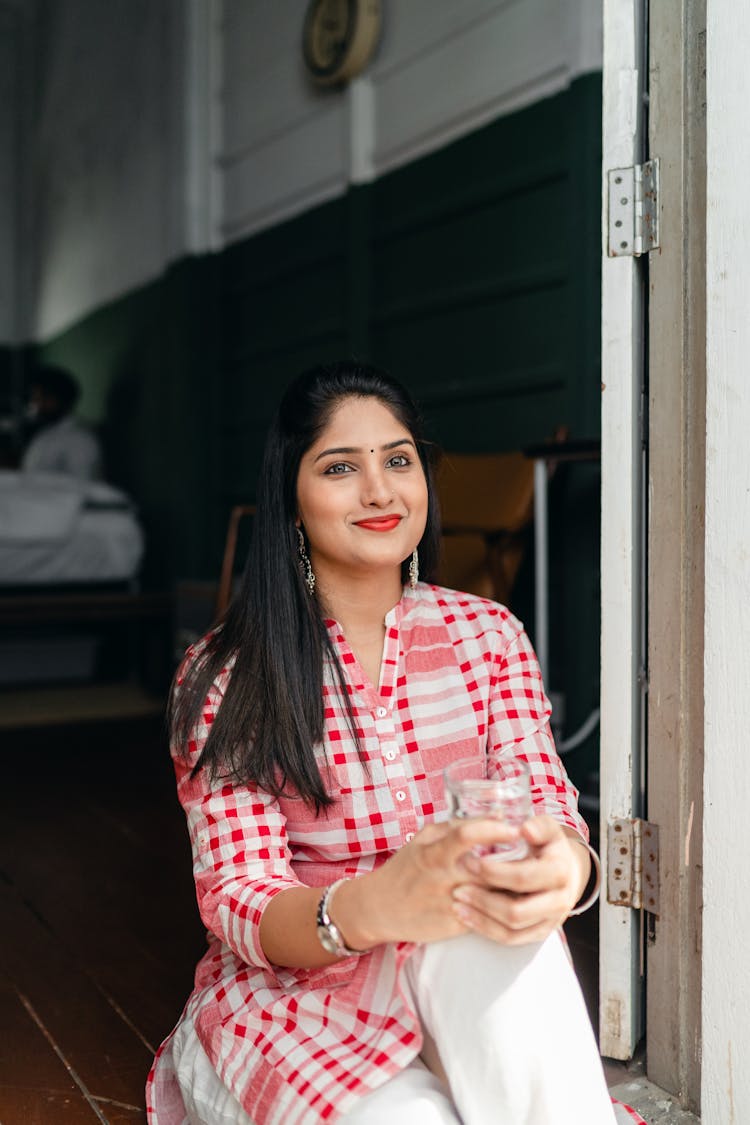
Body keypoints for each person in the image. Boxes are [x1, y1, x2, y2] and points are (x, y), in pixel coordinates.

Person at [147, 361, 645, 1125]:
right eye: (341, 466)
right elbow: (240, 901)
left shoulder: (488, 635)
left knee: (510, 944)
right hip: (294, 1002)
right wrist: (371, 905)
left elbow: (547, 803)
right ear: (292, 497)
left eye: (399, 460)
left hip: (455, 951)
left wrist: (564, 864)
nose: (380, 491)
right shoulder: (227, 672)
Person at [21, 365, 102, 480]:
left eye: (41, 398)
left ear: (61, 399)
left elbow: (83, 487)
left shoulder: (81, 439)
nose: (36, 405)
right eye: (35, 399)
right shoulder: (46, 431)